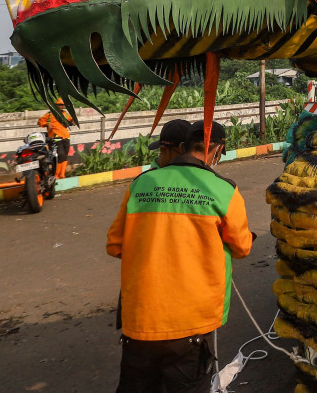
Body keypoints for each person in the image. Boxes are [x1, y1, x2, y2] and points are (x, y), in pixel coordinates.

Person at [106, 120, 253, 393]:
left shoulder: (142, 183)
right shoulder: (223, 189)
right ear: (218, 151)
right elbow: (242, 248)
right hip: (191, 323)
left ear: (183, 147)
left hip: (140, 319)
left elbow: (115, 245)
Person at [38, 98, 73, 179]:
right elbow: (39, 121)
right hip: (55, 137)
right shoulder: (50, 114)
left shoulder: (65, 114)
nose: (61, 106)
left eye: (62, 105)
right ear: (56, 105)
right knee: (60, 155)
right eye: (59, 105)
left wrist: (73, 121)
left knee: (65, 155)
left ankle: (62, 175)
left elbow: (71, 120)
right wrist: (47, 124)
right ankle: (56, 175)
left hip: (66, 136)